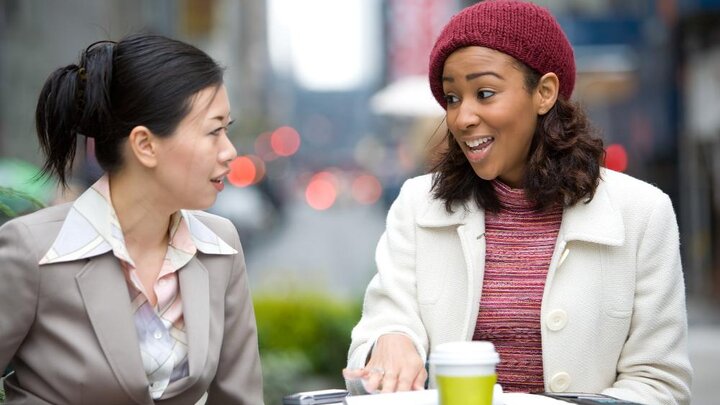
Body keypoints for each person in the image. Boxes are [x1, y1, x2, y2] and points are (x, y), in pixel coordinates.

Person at [344, 1, 692, 404]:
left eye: (485, 93)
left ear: (544, 93)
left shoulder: (643, 213)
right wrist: (390, 340)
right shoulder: (417, 204)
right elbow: (383, 322)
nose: (462, 118)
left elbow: (659, 384)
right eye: (452, 97)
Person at [0, 34, 263, 404]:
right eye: (213, 131)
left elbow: (239, 397)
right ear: (145, 145)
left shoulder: (220, 244)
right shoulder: (34, 250)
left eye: (227, 130)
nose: (230, 151)